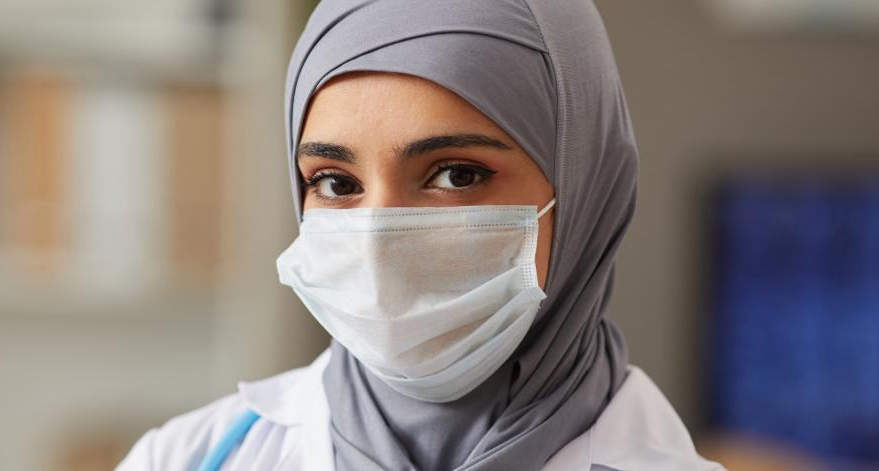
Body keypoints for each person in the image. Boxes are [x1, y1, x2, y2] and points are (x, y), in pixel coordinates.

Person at [117, 0, 726, 469]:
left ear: (587, 182)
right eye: (334, 182)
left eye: (456, 175)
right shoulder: (188, 457)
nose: (380, 243)